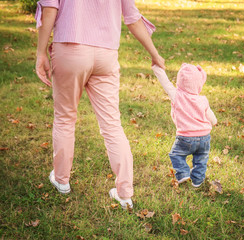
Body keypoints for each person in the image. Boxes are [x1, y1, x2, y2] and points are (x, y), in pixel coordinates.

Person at [35, 0, 165, 210]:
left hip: (70, 49)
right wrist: (154, 53)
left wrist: (41, 52)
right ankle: (125, 195)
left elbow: (50, 8)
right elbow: (132, 18)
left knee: (65, 118)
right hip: (106, 54)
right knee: (112, 125)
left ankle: (61, 180)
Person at [152, 64, 217, 187]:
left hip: (185, 137)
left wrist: (157, 68)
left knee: (176, 154)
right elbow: (210, 114)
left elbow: (165, 83)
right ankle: (197, 181)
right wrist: (214, 122)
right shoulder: (202, 99)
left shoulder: (177, 95)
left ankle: (183, 173)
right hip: (205, 136)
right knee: (201, 159)